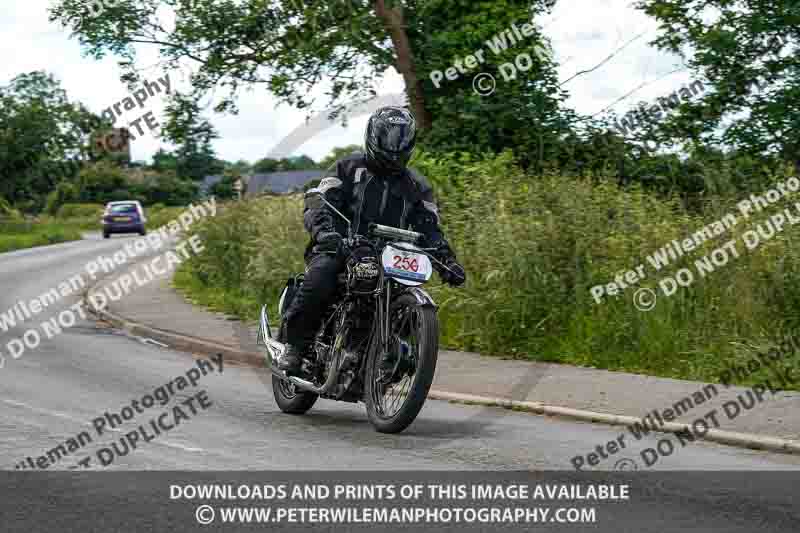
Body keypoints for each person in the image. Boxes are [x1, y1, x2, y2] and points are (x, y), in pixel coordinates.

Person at [278, 106, 466, 375]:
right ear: (374, 136)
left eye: (401, 138)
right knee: (321, 275)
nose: (395, 145)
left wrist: (447, 261)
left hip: (389, 257)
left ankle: (380, 354)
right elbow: (320, 204)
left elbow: (429, 228)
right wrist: (326, 234)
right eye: (389, 137)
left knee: (401, 297)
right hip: (341, 248)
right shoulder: (347, 167)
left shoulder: (417, 186)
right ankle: (295, 346)